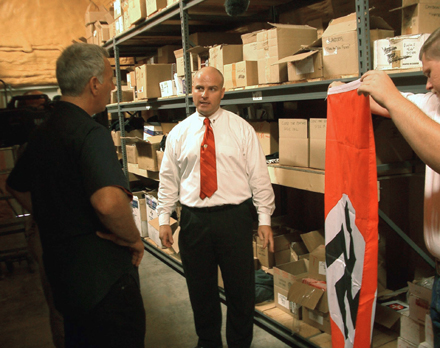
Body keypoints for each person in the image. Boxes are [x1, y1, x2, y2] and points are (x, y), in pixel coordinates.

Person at [6, 43, 146, 348]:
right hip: (104, 282)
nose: (112, 85)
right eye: (110, 78)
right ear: (94, 84)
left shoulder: (44, 130)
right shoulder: (91, 133)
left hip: (64, 276)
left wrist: (52, 214)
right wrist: (133, 238)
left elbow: (15, 185)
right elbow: (108, 204)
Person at [157, 66, 275, 348]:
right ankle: (208, 342)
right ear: (192, 91)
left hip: (234, 219)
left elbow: (259, 176)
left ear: (223, 92)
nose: (205, 95)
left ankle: (239, 344)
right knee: (200, 291)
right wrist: (163, 217)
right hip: (194, 222)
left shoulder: (241, 129)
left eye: (212, 89)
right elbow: (168, 178)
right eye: (199, 88)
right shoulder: (179, 134)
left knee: (240, 292)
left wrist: (265, 219)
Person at [348, 27, 440, 346]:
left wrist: (391, 95)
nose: (426, 83)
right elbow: (393, 107)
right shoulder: (435, 103)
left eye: (429, 72)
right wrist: (345, 91)